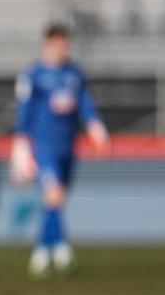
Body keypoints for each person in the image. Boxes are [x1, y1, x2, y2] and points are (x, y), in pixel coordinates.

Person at [10, 24, 110, 278]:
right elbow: (24, 112)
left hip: (67, 146)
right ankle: (62, 251)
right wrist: (20, 145)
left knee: (55, 200)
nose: (61, 48)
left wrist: (96, 128)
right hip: (43, 147)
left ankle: (42, 252)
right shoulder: (33, 75)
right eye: (57, 43)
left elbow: (85, 105)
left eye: (64, 43)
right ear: (47, 44)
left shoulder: (74, 73)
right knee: (53, 195)